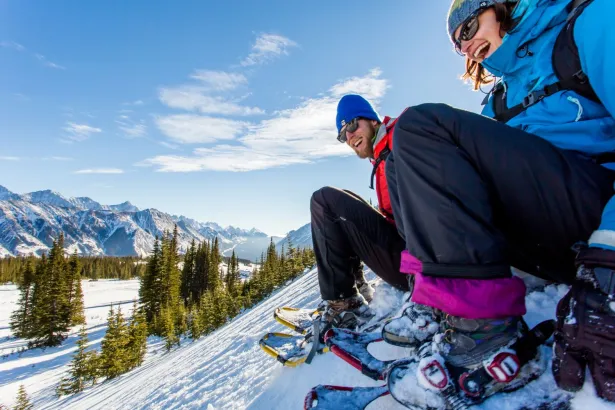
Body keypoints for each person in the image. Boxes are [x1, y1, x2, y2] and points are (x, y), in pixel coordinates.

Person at [384, 0, 615, 404]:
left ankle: (486, 327)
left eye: (469, 27)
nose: (467, 44)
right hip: (555, 239)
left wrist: (609, 263)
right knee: (399, 163)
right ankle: (445, 303)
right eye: (458, 43)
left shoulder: (591, 24)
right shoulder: (500, 99)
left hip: (596, 214)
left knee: (420, 126)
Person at [309, 94, 410, 335]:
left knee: (324, 199)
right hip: (412, 252)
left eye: (352, 125)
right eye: (343, 134)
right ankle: (355, 287)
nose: (350, 136)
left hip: (421, 262)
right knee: (345, 200)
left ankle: (343, 303)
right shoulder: (382, 156)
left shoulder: (402, 139)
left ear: (373, 121)